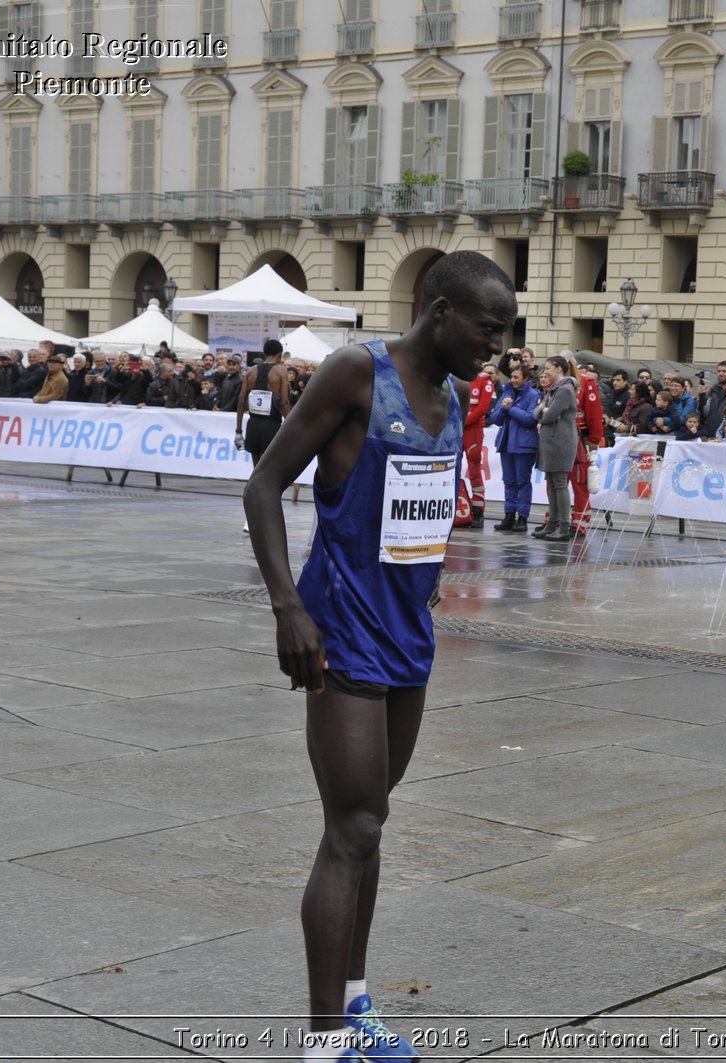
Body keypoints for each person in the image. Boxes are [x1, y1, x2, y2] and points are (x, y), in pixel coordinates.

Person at [242, 251, 513, 1063]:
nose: (496, 346)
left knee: (371, 826)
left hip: (408, 636)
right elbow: (262, 486)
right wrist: (289, 606)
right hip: (342, 632)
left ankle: (356, 1004)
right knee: (350, 826)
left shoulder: (454, 393)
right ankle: (323, 1047)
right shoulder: (357, 373)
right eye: (486, 328)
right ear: (438, 312)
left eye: (504, 332)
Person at [237, 340, 293, 532]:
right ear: (280, 354)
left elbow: (241, 401)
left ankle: (249, 519)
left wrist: (238, 430)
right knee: (270, 475)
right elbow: (285, 402)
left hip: (253, 425)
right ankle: (266, 518)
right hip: (272, 426)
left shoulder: (250, 372)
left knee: (256, 472)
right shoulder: (280, 372)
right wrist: (292, 426)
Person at [532, 354, 579, 541]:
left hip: (561, 441)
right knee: (552, 483)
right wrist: (543, 411)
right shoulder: (554, 389)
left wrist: (544, 412)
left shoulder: (565, 390)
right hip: (552, 440)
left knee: (559, 484)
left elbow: (548, 416)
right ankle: (552, 523)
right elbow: (537, 412)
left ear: (559, 369)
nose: (546, 371)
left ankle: (563, 527)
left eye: (549, 368)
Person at [489, 362, 540, 531]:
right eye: (511, 377)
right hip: (506, 444)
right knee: (509, 481)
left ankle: (522, 518)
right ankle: (509, 515)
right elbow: (495, 419)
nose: (512, 380)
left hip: (524, 445)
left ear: (526, 378)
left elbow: (530, 419)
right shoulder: (506, 392)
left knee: (522, 482)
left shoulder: (533, 395)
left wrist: (510, 408)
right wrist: (504, 409)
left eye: (516, 377)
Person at [568, 357, 606, 538]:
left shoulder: (586, 383)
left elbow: (594, 413)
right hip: (560, 439)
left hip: (579, 439)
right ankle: (555, 517)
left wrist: (593, 439)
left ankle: (580, 518)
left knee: (579, 480)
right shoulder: (554, 383)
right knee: (556, 482)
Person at [462, 361, 496, 524]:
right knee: (451, 467)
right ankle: (456, 504)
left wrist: (464, 421)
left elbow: (483, 408)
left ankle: (478, 509)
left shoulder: (484, 380)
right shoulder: (459, 377)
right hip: (458, 428)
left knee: (474, 468)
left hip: (473, 430)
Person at [699, 361, 726, 437]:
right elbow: (705, 412)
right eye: (719, 371)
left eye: (724, 371)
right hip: (710, 432)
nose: (721, 374)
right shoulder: (713, 389)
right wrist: (702, 396)